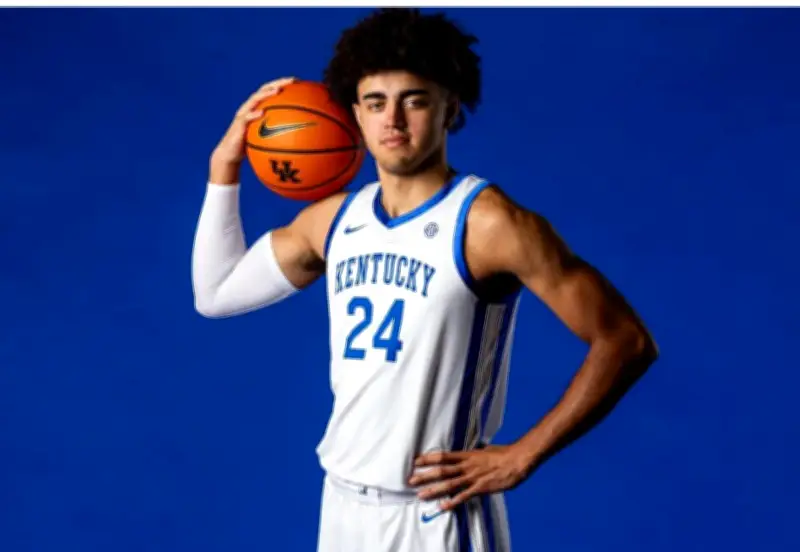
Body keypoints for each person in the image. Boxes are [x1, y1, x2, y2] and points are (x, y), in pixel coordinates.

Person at [191, 7, 658, 552]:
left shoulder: (489, 224)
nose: (392, 119)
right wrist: (224, 166)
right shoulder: (334, 221)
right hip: (341, 508)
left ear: (449, 107)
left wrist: (522, 454)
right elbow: (215, 292)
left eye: (413, 100)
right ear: (355, 116)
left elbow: (625, 340)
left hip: (437, 516)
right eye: (375, 102)